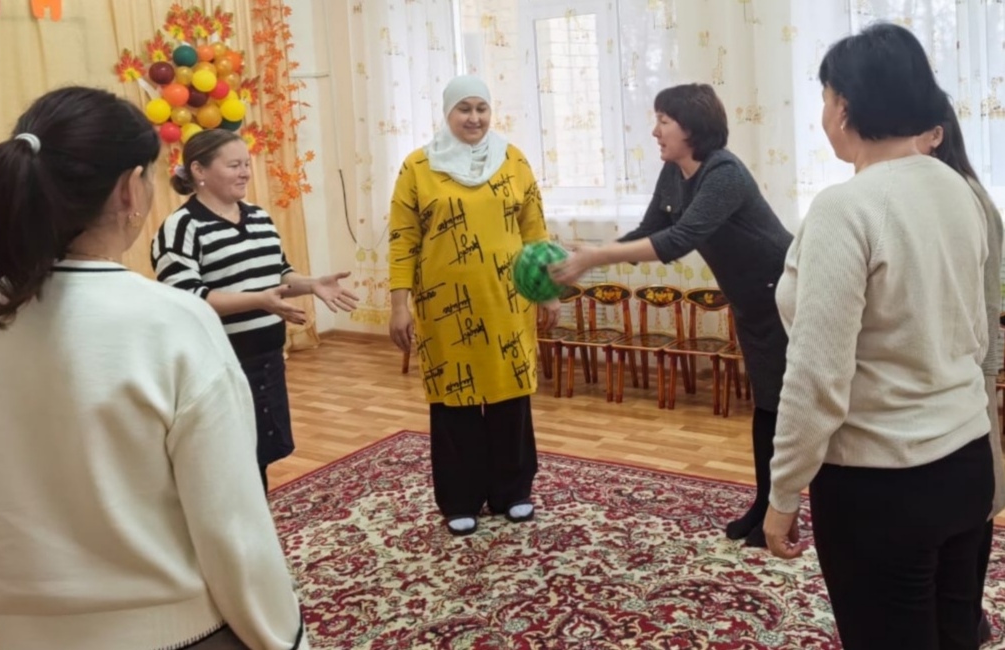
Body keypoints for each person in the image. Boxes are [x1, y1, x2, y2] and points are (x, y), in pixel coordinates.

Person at [0, 87, 307, 649]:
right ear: (129, 189)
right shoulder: (172, 323)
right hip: (167, 628)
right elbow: (231, 529)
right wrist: (287, 637)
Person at [763, 24, 993, 650]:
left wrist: (782, 492)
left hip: (883, 483)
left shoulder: (846, 207)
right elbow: (974, 335)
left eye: (824, 98)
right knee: (954, 636)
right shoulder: (960, 189)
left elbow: (817, 375)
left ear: (843, 106)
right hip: (966, 460)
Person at [549, 83, 792, 548]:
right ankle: (765, 504)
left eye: (663, 120)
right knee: (768, 404)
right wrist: (588, 256)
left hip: (784, 295)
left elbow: (678, 240)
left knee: (788, 407)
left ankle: (783, 508)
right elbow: (651, 230)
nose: (654, 131)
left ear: (692, 127)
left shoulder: (724, 173)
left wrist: (597, 256)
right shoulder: (674, 172)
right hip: (750, 299)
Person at [388, 75, 560, 536]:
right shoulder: (418, 167)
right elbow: (403, 240)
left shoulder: (513, 160)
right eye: (464, 109)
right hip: (444, 306)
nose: (474, 118)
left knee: (510, 396)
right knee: (454, 400)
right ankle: (460, 497)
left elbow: (535, 231)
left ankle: (513, 491)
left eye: (481, 108)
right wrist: (399, 304)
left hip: (508, 301)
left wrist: (547, 289)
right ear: (448, 112)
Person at [152, 129, 359, 493]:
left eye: (246, 164)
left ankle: (258, 521)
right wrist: (259, 300)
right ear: (199, 170)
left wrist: (312, 284)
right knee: (226, 464)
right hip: (218, 365)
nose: (245, 173)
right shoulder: (181, 227)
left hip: (267, 360)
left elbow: (279, 274)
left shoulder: (260, 217)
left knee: (258, 458)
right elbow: (186, 297)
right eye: (234, 165)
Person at [917, 96, 1005, 646]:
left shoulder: (965, 198)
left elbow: (984, 308)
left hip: (967, 373)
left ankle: (965, 617)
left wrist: (984, 381)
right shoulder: (925, 194)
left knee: (976, 506)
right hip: (947, 375)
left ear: (936, 134)